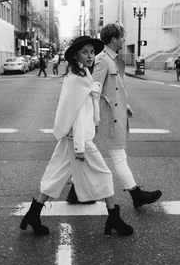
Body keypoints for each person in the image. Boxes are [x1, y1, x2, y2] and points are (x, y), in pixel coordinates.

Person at [20, 36, 133, 237]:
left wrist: (95, 90)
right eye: (85, 52)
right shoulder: (79, 79)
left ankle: (33, 214)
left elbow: (81, 101)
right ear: (76, 55)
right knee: (104, 175)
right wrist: (80, 147)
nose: (90, 56)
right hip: (79, 140)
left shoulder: (78, 75)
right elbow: (78, 116)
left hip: (69, 139)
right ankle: (113, 218)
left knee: (55, 176)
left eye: (92, 52)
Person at [66, 23, 162, 208]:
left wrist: (124, 104)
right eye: (121, 36)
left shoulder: (111, 59)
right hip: (107, 118)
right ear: (113, 39)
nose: (123, 40)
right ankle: (136, 195)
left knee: (93, 154)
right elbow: (92, 88)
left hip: (113, 115)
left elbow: (112, 88)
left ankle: (75, 191)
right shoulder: (102, 60)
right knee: (117, 156)